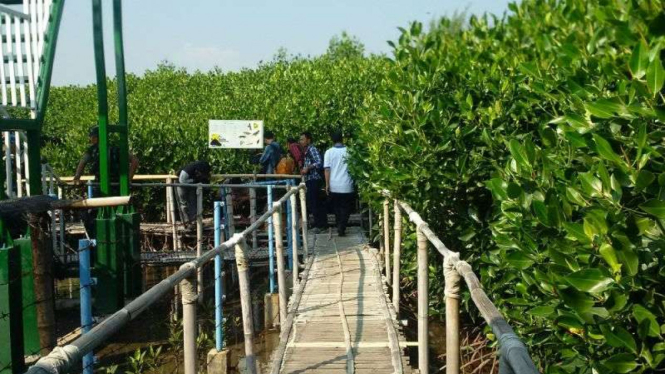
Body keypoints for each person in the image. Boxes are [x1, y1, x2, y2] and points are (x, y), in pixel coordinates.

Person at [73, 126, 139, 193]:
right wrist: (128, 180)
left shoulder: (93, 150)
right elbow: (135, 161)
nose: (90, 140)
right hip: (118, 186)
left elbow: (82, 162)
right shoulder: (116, 148)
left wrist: (77, 177)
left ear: (96, 138)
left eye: (92, 137)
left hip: (100, 186)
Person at [324, 131, 355, 236]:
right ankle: (342, 226)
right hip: (347, 185)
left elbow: (327, 170)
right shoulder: (350, 151)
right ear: (342, 139)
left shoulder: (329, 152)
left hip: (334, 185)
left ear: (332, 140)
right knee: (346, 208)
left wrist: (327, 184)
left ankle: (339, 226)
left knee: (337, 208)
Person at [299, 131, 327, 232]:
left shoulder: (312, 149)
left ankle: (321, 225)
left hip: (314, 179)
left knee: (315, 202)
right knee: (313, 202)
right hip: (310, 180)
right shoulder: (307, 150)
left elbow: (319, 163)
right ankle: (318, 223)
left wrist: (308, 168)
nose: (301, 141)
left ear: (308, 140)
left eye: (302, 139)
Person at [176, 161, 211, 230]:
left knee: (193, 204)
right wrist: (195, 181)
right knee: (184, 204)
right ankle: (186, 223)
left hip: (192, 186)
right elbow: (182, 181)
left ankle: (194, 223)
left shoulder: (203, 169)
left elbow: (205, 180)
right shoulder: (188, 170)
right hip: (182, 185)